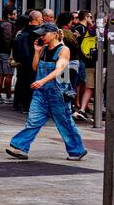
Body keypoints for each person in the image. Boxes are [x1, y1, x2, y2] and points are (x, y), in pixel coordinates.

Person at [6, 23, 86, 161]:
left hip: (58, 93)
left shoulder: (63, 50)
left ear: (55, 33)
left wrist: (42, 81)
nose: (42, 36)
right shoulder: (43, 49)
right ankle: (21, 148)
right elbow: (35, 67)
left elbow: (59, 69)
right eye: (41, 34)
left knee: (65, 122)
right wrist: (37, 52)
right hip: (41, 93)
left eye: (44, 34)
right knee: (33, 121)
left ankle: (77, 150)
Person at [13, 9, 44, 112]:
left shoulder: (22, 31)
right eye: (40, 18)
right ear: (36, 19)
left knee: (21, 82)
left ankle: (18, 103)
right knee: (32, 82)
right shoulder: (38, 32)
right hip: (33, 59)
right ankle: (28, 104)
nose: (42, 19)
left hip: (22, 60)